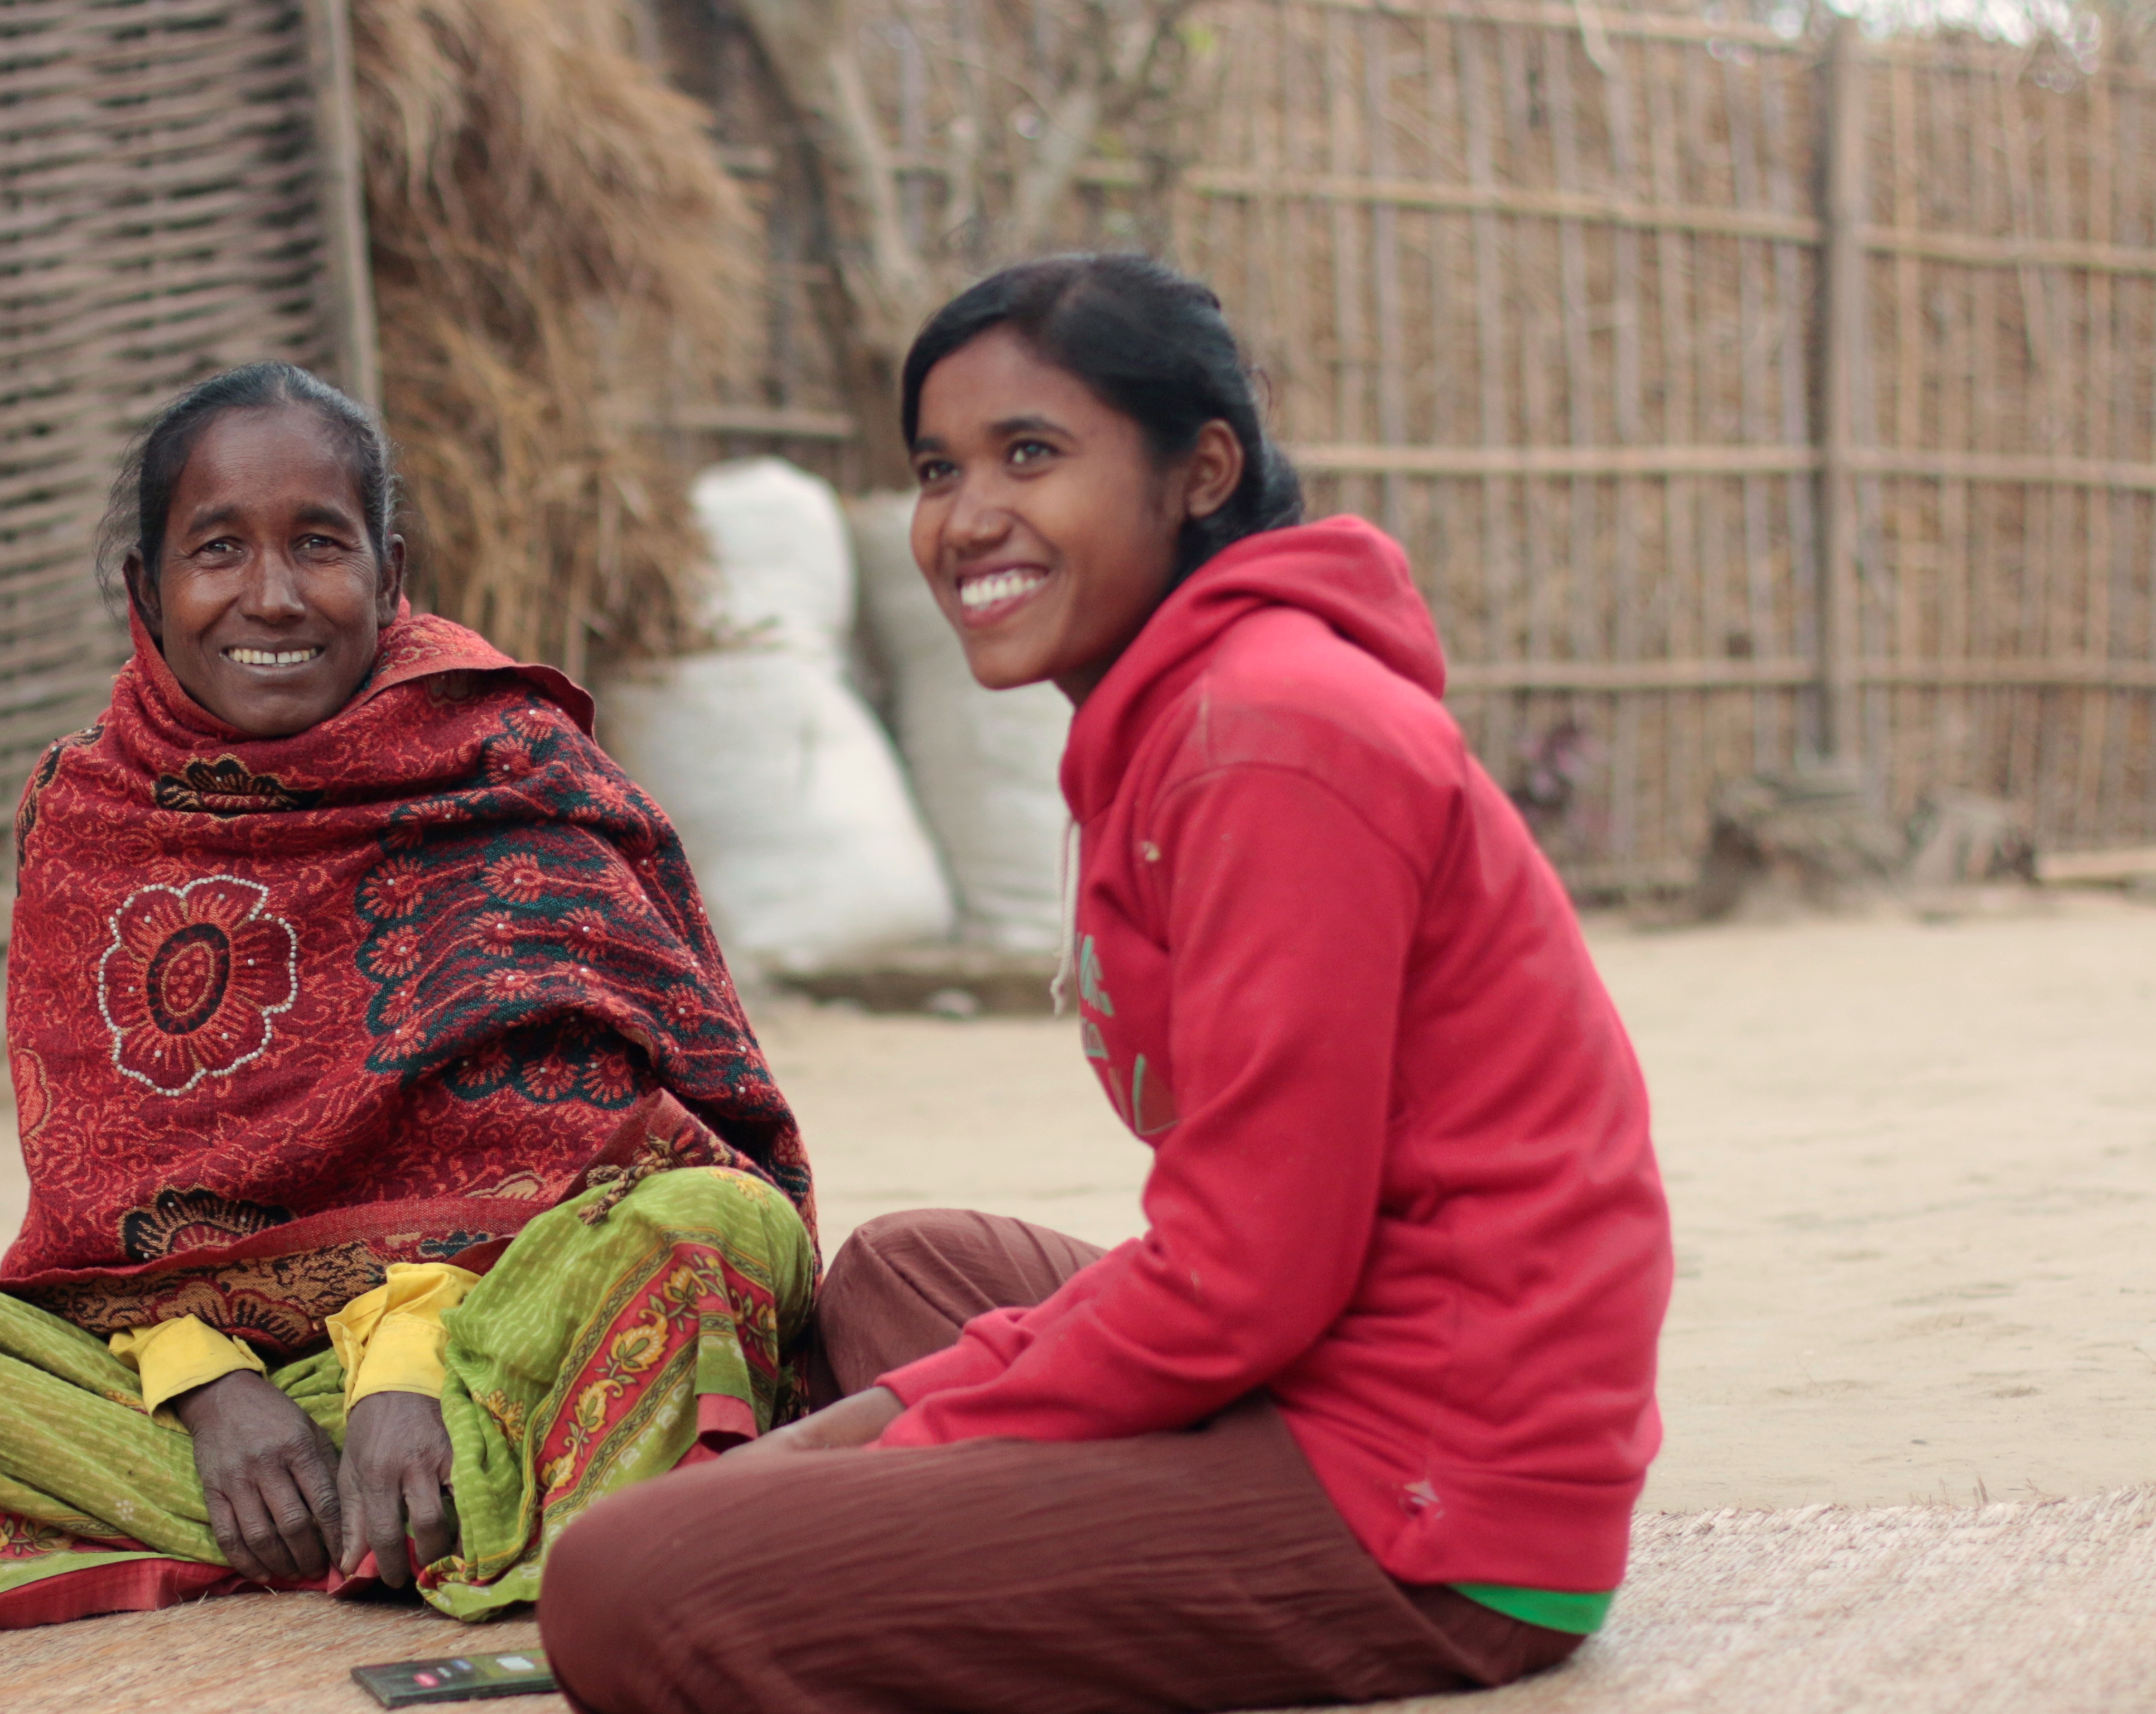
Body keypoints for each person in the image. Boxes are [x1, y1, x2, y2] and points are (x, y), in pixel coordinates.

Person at [539, 253, 1672, 1714]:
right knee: (903, 1275)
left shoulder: (1271, 735)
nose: (967, 519)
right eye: (940, 468)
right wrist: (915, 1418)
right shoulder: (1174, 716)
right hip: (1331, 1351)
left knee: (629, 1582)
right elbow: (1248, 1270)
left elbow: (1242, 1284)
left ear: (1201, 470)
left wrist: (867, 1441)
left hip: (1437, 1486)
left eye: (1033, 454)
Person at [0, 363, 816, 1655]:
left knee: (709, 1225)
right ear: (146, 591)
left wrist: (406, 1361)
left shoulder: (515, 771)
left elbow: (612, 1151)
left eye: (317, 546)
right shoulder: (89, 811)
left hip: (505, 1348)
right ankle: (442, 1519)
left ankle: (372, 1505)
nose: (271, 597)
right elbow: (98, 1210)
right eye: (218, 549)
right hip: (192, 1398)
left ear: (388, 577)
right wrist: (202, 1381)